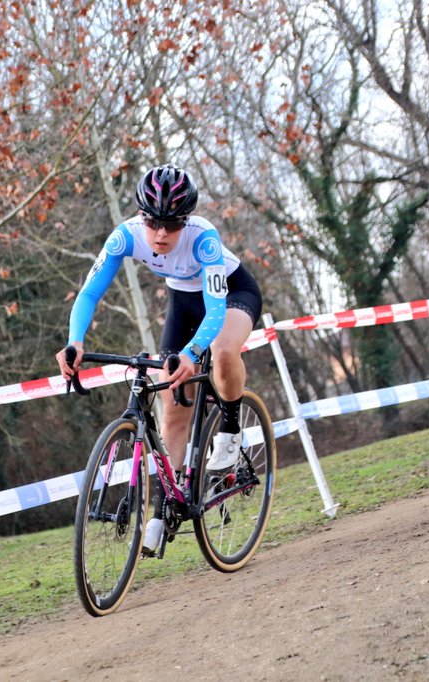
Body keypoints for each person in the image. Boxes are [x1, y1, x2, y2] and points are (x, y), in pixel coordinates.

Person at [56, 164, 263, 553]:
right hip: (183, 303)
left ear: (185, 220)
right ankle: (165, 505)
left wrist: (191, 353)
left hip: (232, 296)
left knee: (219, 351)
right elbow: (88, 294)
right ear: (141, 217)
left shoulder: (204, 240)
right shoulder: (125, 237)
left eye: (173, 224)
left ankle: (232, 431)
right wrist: (75, 342)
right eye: (154, 223)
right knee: (171, 405)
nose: (162, 234)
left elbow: (215, 311)